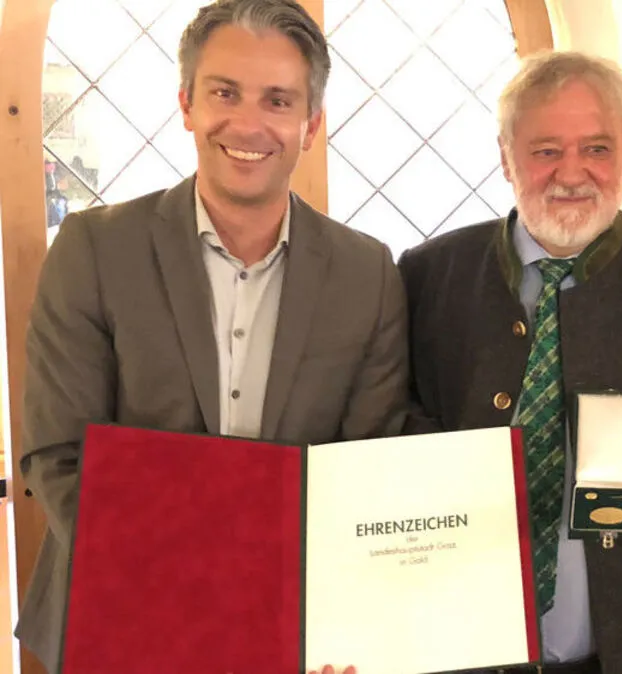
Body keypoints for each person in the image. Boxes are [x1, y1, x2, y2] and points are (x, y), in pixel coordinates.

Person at [16, 1, 410, 670]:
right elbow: (60, 456)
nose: (248, 124)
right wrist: (202, 600)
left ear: (312, 124)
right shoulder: (94, 250)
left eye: (278, 100)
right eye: (225, 93)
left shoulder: (367, 272)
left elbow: (365, 468)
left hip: (295, 631)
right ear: (187, 104)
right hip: (120, 623)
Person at [399, 50, 622, 674]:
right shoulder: (429, 274)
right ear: (506, 155)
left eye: (597, 148)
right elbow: (394, 418)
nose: (572, 173)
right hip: (462, 642)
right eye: (546, 150)